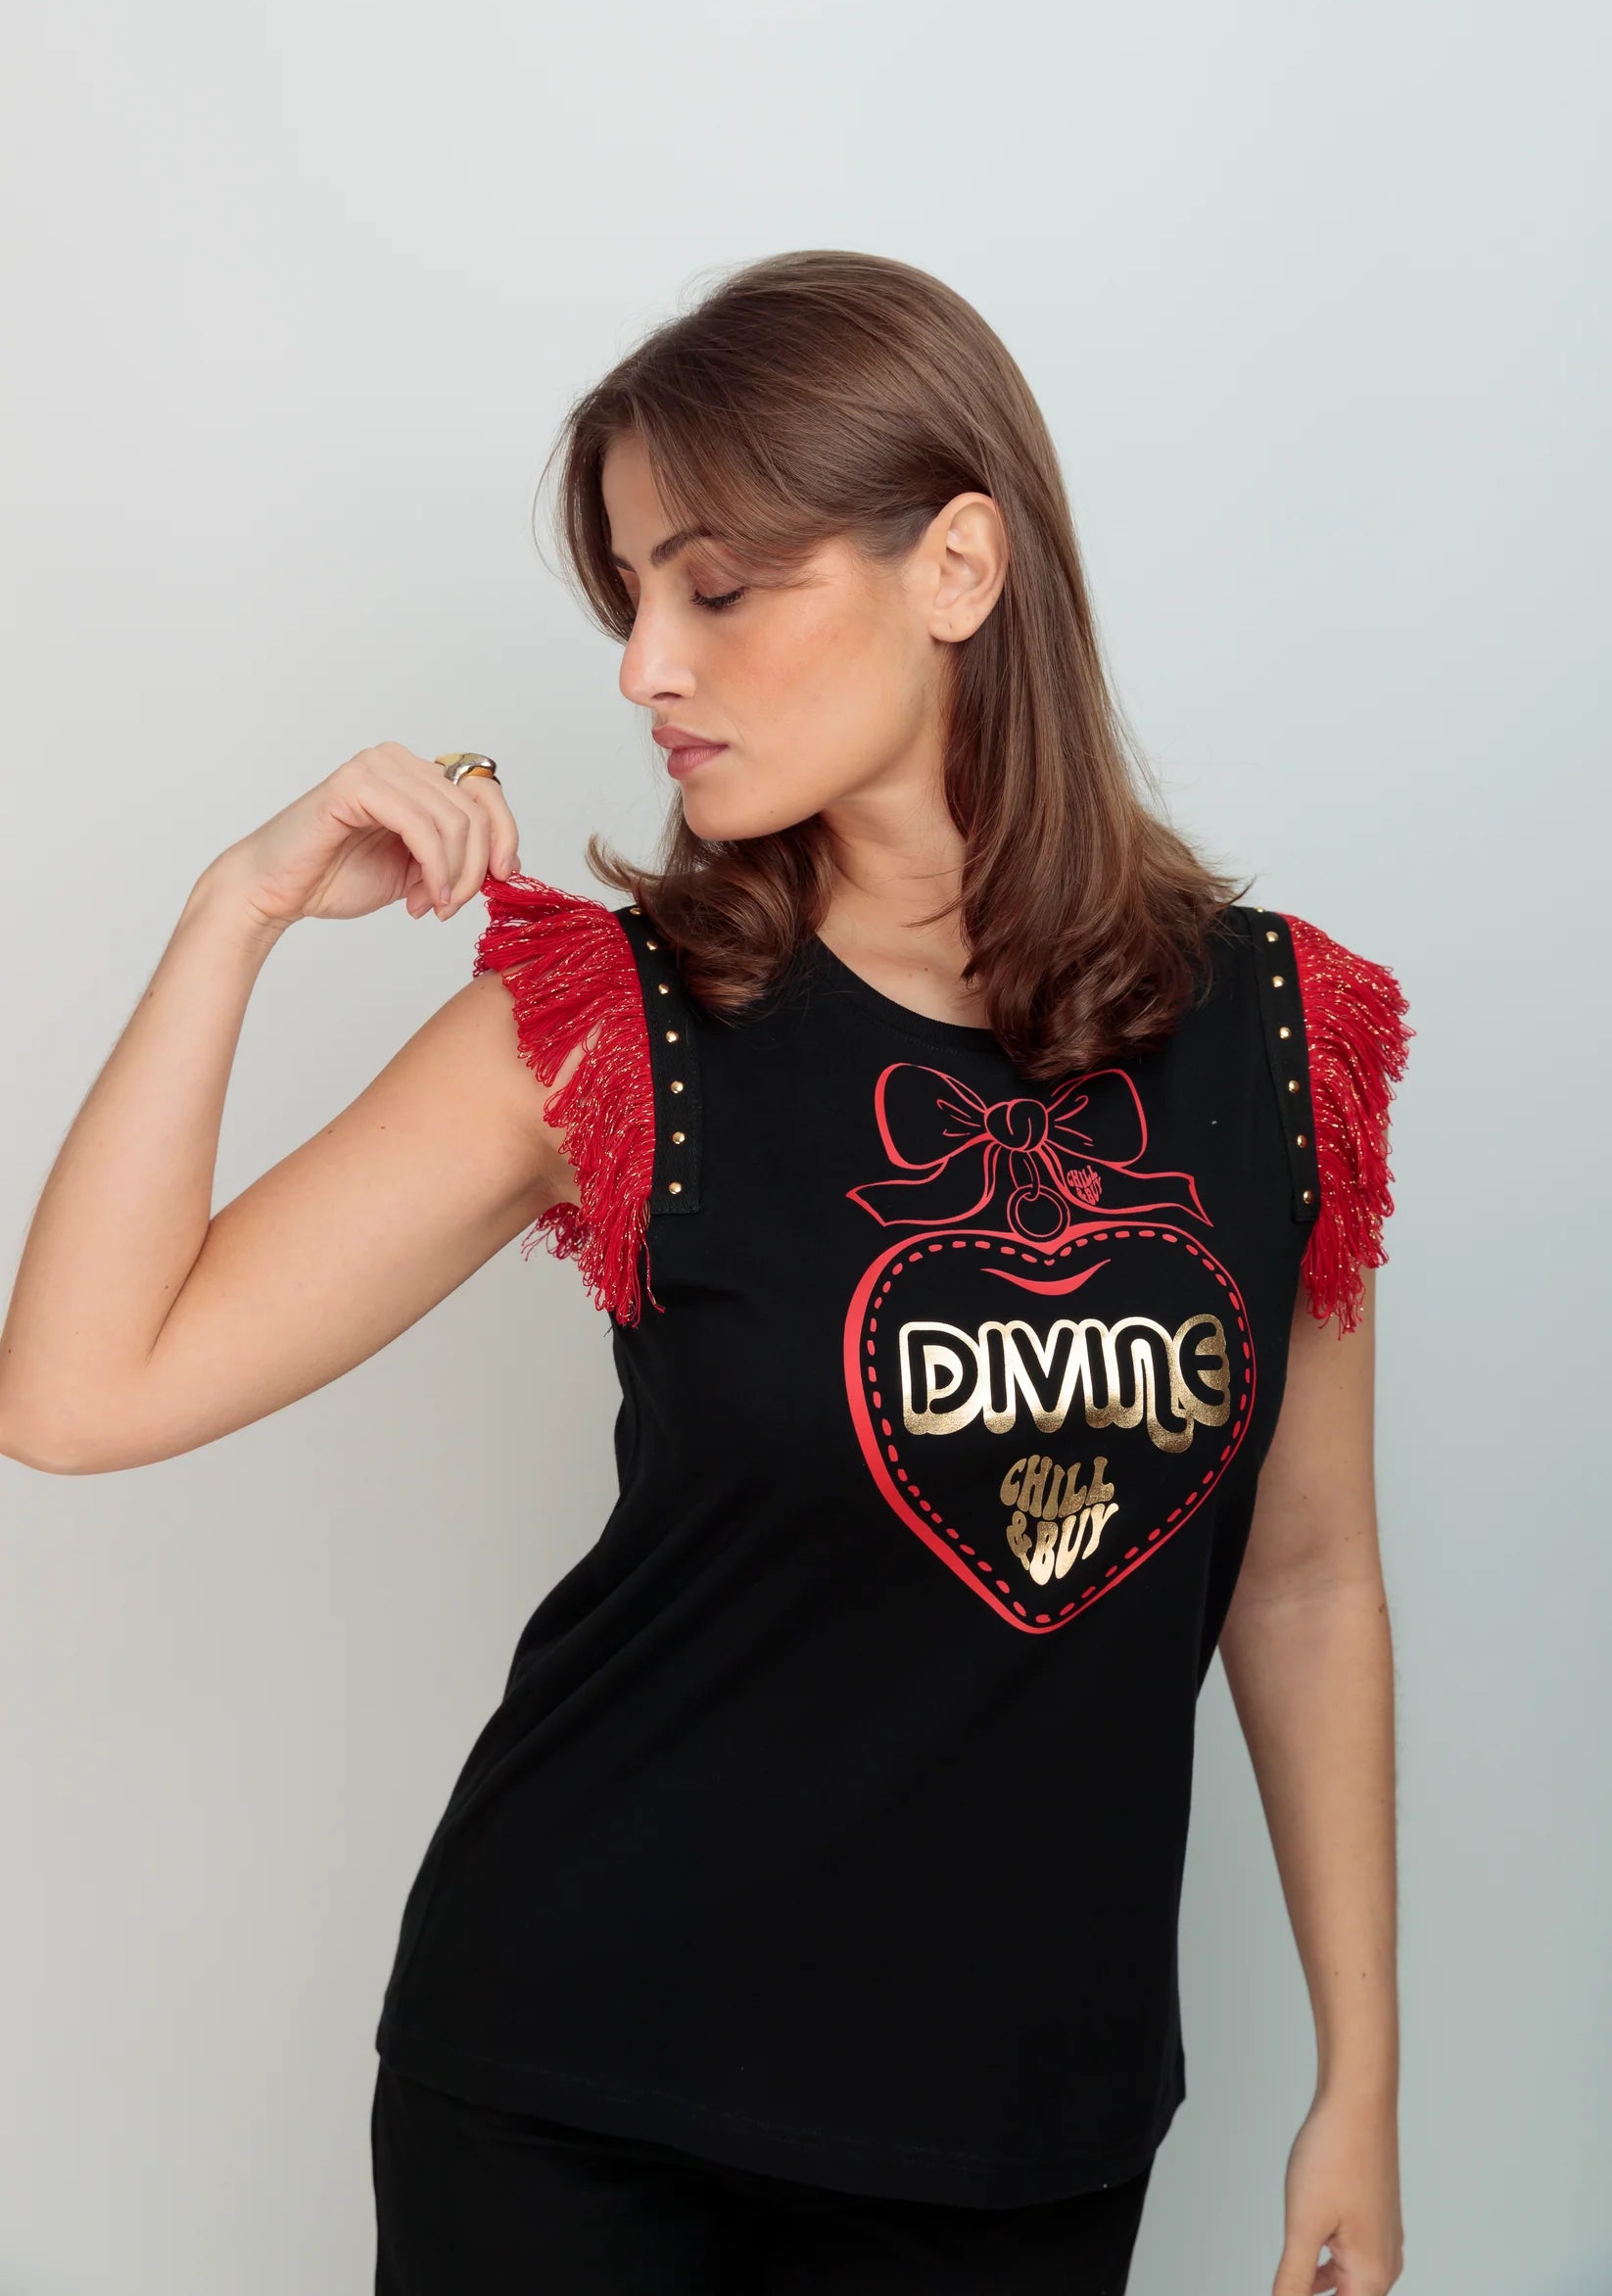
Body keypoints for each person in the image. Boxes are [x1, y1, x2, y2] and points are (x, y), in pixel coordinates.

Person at [0, 249, 1410, 2296]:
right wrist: (238, 909)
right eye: (631, 600)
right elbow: (75, 1392)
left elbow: (1304, 1575)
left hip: (1025, 2132)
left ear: (957, 565)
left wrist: (1360, 2070)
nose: (646, 666)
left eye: (717, 586)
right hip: (587, 2110)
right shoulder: (612, 1028)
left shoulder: (1281, 1034)